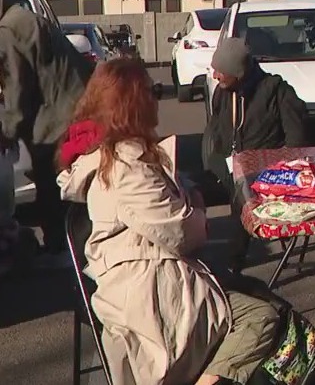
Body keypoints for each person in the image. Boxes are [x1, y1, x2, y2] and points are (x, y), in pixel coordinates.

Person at [56, 59, 279, 385]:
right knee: (261, 315)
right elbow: (183, 233)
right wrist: (195, 210)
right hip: (148, 295)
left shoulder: (104, 156)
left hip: (135, 280)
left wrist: (187, 203)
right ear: (134, 103)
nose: (158, 98)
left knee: (254, 293)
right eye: (153, 91)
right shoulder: (128, 167)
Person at [0, 0, 92, 268]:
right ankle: (71, 244)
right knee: (71, 185)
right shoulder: (25, 18)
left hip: (55, 119)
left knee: (53, 186)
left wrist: (7, 131)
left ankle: (61, 248)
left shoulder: (9, 30)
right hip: (72, 110)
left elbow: (18, 88)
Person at [203, 37, 309, 273]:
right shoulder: (223, 93)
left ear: (238, 73)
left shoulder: (276, 91)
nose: (215, 76)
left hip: (266, 170)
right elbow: (216, 129)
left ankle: (233, 265)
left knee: (242, 197)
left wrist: (281, 171)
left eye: (221, 71)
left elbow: (296, 138)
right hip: (230, 165)